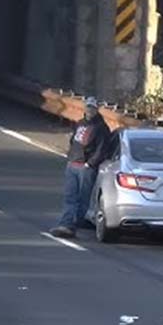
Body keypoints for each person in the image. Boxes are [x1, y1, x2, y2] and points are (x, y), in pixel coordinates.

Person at [49, 96, 110, 238]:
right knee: (70, 196)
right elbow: (73, 141)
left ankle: (72, 225)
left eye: (93, 108)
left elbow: (102, 149)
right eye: (88, 107)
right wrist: (70, 157)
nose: (90, 110)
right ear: (85, 108)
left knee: (82, 199)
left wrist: (90, 164)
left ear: (97, 109)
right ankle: (66, 224)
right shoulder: (80, 123)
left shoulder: (101, 128)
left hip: (86, 167)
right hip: (72, 164)